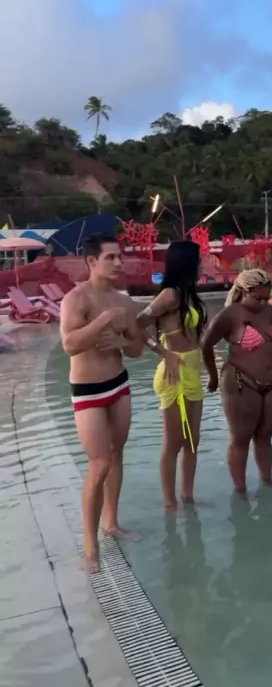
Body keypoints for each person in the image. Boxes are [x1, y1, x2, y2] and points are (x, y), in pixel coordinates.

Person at [60, 234, 145, 573]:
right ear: (91, 262)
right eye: (110, 257)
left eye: (119, 257)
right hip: (87, 391)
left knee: (116, 456)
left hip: (118, 384)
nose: (118, 263)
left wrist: (121, 342)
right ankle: (90, 544)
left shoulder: (124, 302)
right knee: (99, 464)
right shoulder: (76, 299)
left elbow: (137, 348)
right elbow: (69, 345)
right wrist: (102, 322)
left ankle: (110, 522)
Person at [202, 269, 272, 495]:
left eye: (266, 298)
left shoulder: (268, 310)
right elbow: (205, 344)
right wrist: (213, 376)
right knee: (240, 439)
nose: (262, 302)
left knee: (265, 436)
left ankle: (266, 483)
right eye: (257, 297)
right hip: (242, 381)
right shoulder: (230, 315)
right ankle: (240, 491)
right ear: (244, 291)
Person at [137, 240, 207, 511]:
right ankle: (170, 503)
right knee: (173, 443)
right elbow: (136, 324)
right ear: (186, 263)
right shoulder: (169, 295)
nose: (201, 265)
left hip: (192, 371)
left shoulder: (188, 295)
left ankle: (188, 497)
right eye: (198, 260)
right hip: (173, 374)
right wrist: (163, 352)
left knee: (192, 441)